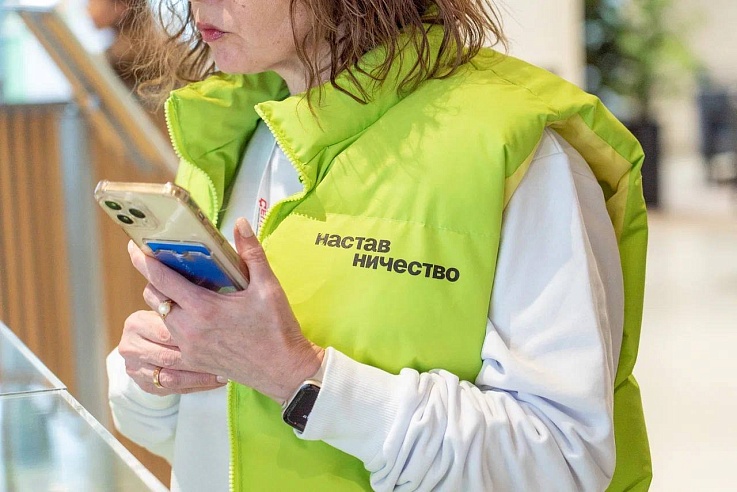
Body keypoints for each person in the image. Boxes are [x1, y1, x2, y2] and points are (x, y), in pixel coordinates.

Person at [106, 0, 652, 490]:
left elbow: (562, 460)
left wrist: (302, 378)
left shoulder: (514, 151)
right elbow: (205, 442)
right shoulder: (234, 129)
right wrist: (154, 374)